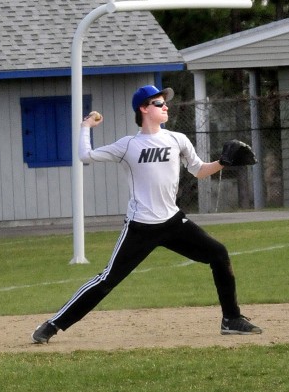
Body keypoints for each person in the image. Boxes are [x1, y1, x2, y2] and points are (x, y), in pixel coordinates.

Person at [31, 84, 262, 344]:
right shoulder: (128, 145)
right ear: (143, 109)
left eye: (165, 102)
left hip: (174, 222)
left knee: (218, 253)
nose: (165, 106)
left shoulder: (177, 139)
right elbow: (85, 156)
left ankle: (231, 319)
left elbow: (198, 170)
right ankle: (52, 325)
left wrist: (222, 162)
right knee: (107, 279)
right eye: (158, 103)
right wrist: (86, 127)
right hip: (140, 227)